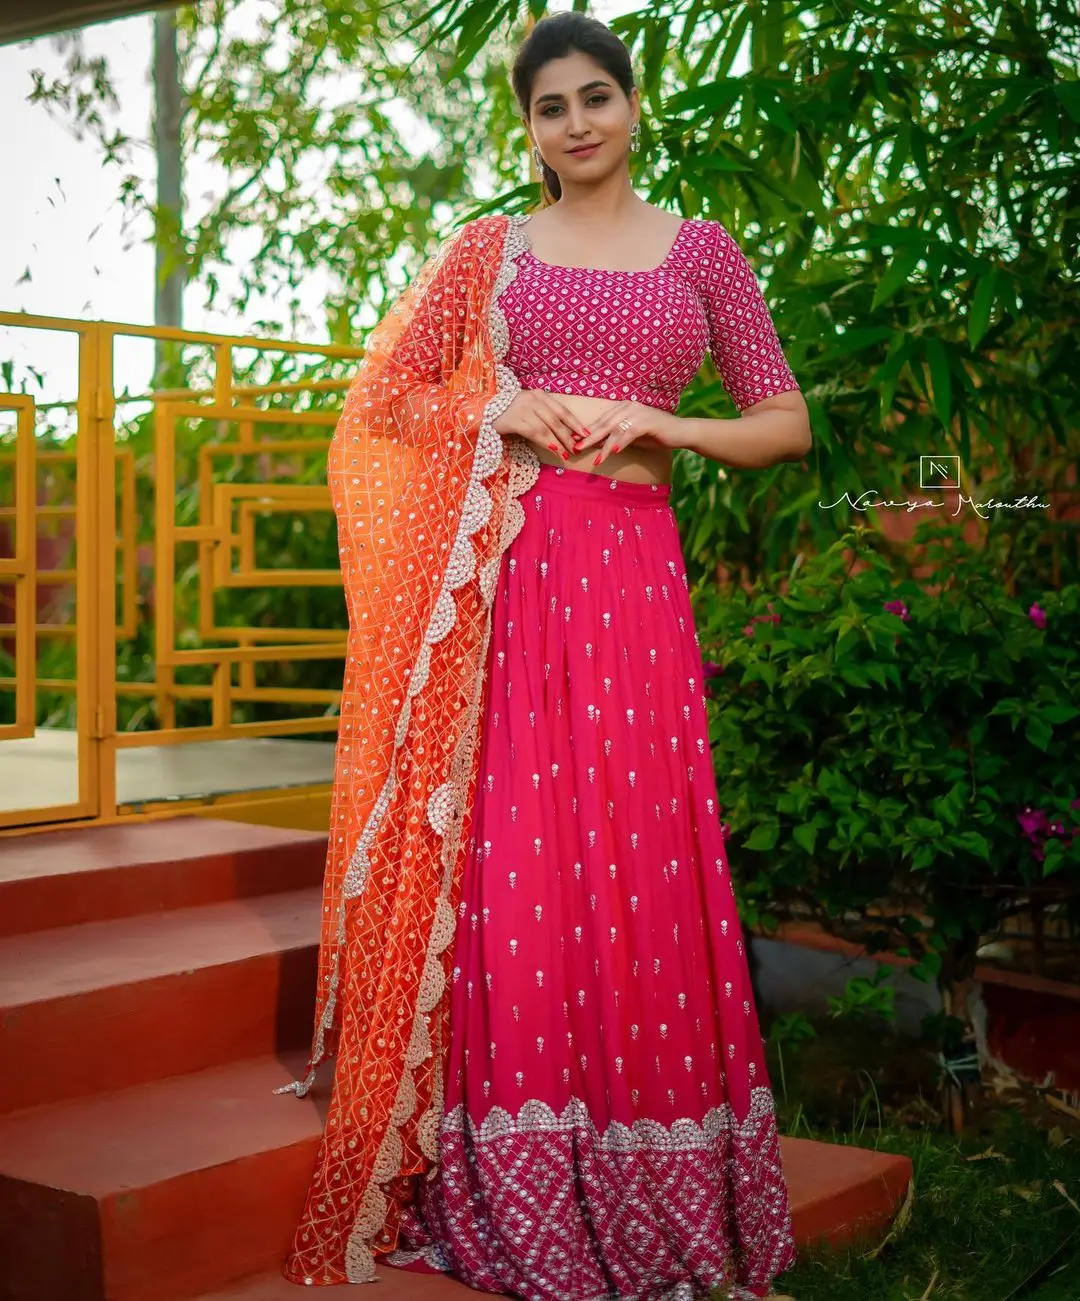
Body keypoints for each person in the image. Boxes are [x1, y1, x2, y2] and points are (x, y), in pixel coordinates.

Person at [277, 12, 811, 1299]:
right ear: (527, 132)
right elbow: (381, 402)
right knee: (522, 851)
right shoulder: (487, 250)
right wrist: (497, 402)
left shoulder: (704, 253)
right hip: (510, 581)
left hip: (635, 577)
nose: (575, 123)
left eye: (595, 98)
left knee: (637, 847)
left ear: (635, 105)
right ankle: (515, 1158)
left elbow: (784, 421)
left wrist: (665, 423)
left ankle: (648, 1163)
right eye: (549, 108)